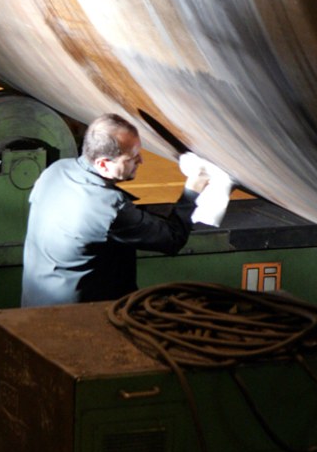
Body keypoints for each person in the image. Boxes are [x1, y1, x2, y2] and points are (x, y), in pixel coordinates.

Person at [21, 113, 210, 307]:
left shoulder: (56, 170)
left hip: (34, 303)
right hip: (75, 315)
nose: (141, 161)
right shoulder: (107, 208)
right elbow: (173, 238)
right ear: (103, 164)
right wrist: (192, 191)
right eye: (132, 157)